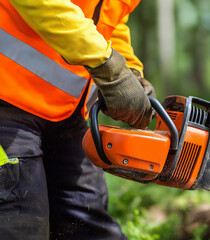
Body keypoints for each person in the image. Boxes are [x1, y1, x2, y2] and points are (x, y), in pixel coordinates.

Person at [0, 0, 154, 238]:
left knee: (88, 225)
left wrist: (129, 69)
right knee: (20, 225)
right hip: (5, 97)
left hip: (66, 110)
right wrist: (107, 65)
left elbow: (109, 17)